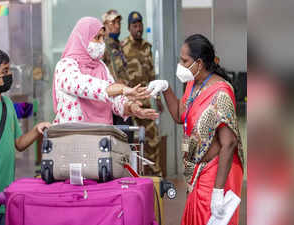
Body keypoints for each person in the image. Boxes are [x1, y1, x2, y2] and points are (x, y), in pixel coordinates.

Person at [148, 34, 244, 225]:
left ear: (199, 63)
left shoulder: (221, 92)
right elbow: (179, 116)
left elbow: (229, 143)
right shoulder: (192, 84)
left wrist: (218, 192)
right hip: (195, 174)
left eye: (184, 60)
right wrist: (166, 88)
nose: (180, 65)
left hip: (213, 175)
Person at [0, 48, 51, 225]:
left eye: (9, 70)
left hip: (5, 197)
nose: (9, 75)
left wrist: (37, 129)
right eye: (4, 72)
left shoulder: (7, 103)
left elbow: (19, 143)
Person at [52, 17, 159, 125]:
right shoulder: (65, 65)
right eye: (97, 37)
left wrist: (131, 107)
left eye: (103, 37)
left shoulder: (101, 67)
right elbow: (83, 85)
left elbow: (113, 100)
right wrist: (122, 89)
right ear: (82, 38)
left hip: (102, 136)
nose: (102, 42)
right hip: (73, 137)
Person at [122, 11, 164, 175]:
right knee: (128, 142)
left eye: (140, 25)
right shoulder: (122, 47)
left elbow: (152, 76)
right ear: (129, 28)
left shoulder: (148, 48)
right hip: (129, 104)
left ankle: (155, 174)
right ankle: (131, 175)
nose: (138, 28)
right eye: (134, 26)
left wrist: (158, 98)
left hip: (146, 103)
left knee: (152, 139)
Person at [101, 9, 134, 140]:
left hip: (124, 99)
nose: (117, 25)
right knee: (119, 141)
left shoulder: (118, 45)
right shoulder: (103, 46)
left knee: (128, 140)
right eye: (113, 22)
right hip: (113, 102)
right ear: (105, 25)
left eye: (119, 22)